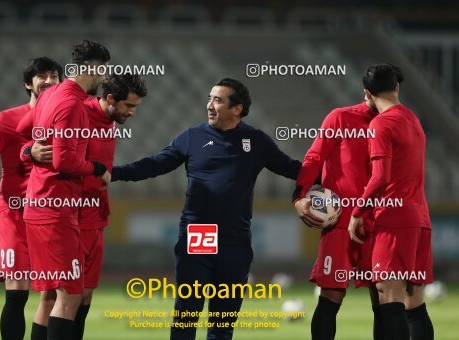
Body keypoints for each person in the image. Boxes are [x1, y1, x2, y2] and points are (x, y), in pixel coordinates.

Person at [111, 78, 302, 340]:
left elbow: (293, 169)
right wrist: (113, 173)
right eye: (209, 98)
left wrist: (333, 176)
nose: (209, 105)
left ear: (237, 109)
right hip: (199, 232)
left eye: (217, 100)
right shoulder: (192, 137)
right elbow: (154, 164)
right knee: (187, 315)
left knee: (223, 322)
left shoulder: (256, 141)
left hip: (235, 238)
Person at [24, 74, 148, 339]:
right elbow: (27, 137)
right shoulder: (78, 111)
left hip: (96, 215)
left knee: (84, 296)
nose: (133, 113)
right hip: (70, 215)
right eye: (129, 106)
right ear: (111, 99)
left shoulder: (110, 121)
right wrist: (28, 152)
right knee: (55, 296)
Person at [16, 40, 111, 340]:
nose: (104, 78)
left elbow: (22, 129)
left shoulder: (51, 94)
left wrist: (30, 151)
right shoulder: (73, 103)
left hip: (37, 208)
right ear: (93, 68)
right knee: (69, 296)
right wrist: (97, 168)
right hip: (56, 211)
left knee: (48, 299)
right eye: (102, 71)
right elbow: (65, 161)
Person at [0, 57, 62, 340]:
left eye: (53, 75)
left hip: (49, 214)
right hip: (13, 214)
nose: (48, 80)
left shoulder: (65, 121)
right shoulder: (5, 120)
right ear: (28, 83)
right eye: (41, 76)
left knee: (52, 294)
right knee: (17, 292)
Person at [348, 63, 434, 340]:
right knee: (414, 301)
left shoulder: (380, 124)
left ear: (367, 94)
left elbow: (380, 178)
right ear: (397, 87)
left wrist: (356, 213)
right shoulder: (413, 119)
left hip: (394, 219)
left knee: (389, 296)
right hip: (420, 218)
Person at [292, 98, 379, 340]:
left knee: (384, 300)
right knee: (330, 297)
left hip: (381, 224)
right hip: (340, 223)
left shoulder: (395, 122)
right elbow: (314, 158)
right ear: (367, 92)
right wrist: (299, 196)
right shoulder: (340, 118)